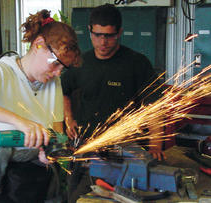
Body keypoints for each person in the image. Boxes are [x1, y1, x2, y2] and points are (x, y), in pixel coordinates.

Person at [0, 9, 81, 203]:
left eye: (63, 68)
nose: (57, 73)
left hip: (30, 178)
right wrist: (20, 122)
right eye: (56, 64)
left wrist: (51, 152)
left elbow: (56, 130)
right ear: (38, 45)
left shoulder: (53, 83)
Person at [61, 4, 165, 202]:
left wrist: (155, 145)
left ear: (119, 32)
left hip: (122, 149)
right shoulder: (81, 62)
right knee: (72, 195)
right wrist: (69, 118)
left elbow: (154, 107)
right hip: (85, 145)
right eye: (97, 35)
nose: (103, 42)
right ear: (90, 31)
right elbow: (64, 90)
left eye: (109, 35)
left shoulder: (137, 63)